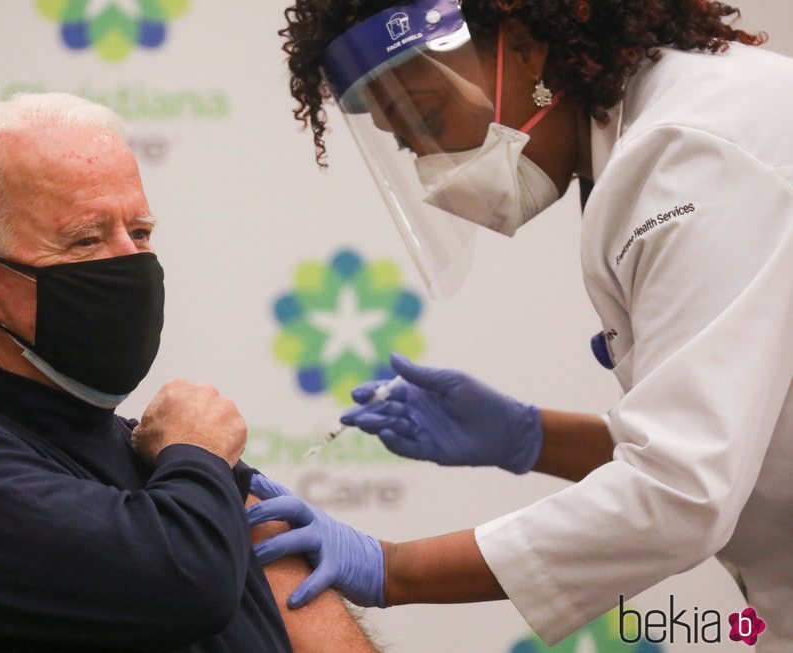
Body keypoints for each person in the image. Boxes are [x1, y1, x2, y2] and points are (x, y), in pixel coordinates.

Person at [249, 0, 793, 650]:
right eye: (405, 142)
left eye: (426, 117)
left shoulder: (691, 152)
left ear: (528, 45)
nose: (431, 165)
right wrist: (527, 436)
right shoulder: (664, 133)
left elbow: (680, 491)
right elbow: (731, 445)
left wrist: (393, 566)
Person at [0, 92, 378, 652]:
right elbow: (185, 583)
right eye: (86, 240)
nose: (133, 262)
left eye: (140, 233)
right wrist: (201, 457)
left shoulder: (162, 458)